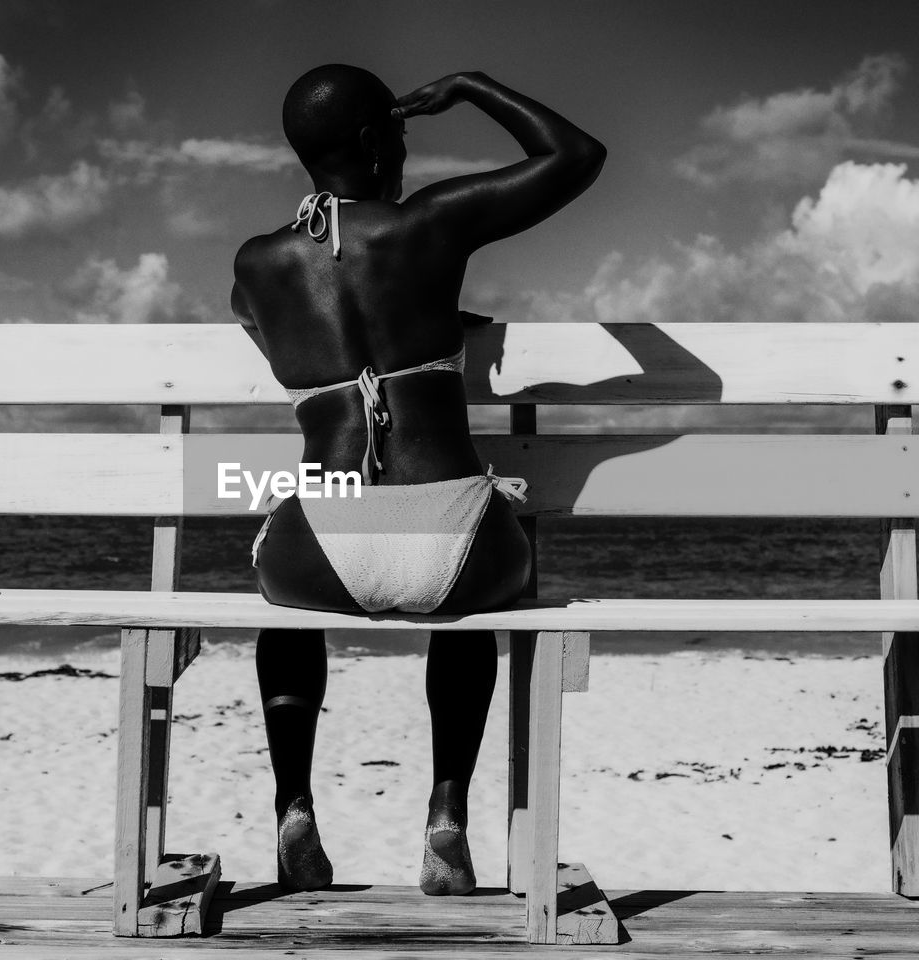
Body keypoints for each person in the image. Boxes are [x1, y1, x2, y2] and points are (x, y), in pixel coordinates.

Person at [231, 65, 605, 896]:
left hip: (317, 543)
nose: (405, 146)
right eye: (399, 130)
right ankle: (446, 812)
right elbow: (577, 155)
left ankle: (293, 805)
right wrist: (471, 86)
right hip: (453, 538)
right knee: (478, 601)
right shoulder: (429, 226)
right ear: (371, 140)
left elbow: (252, 313)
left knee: (287, 607)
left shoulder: (258, 265)